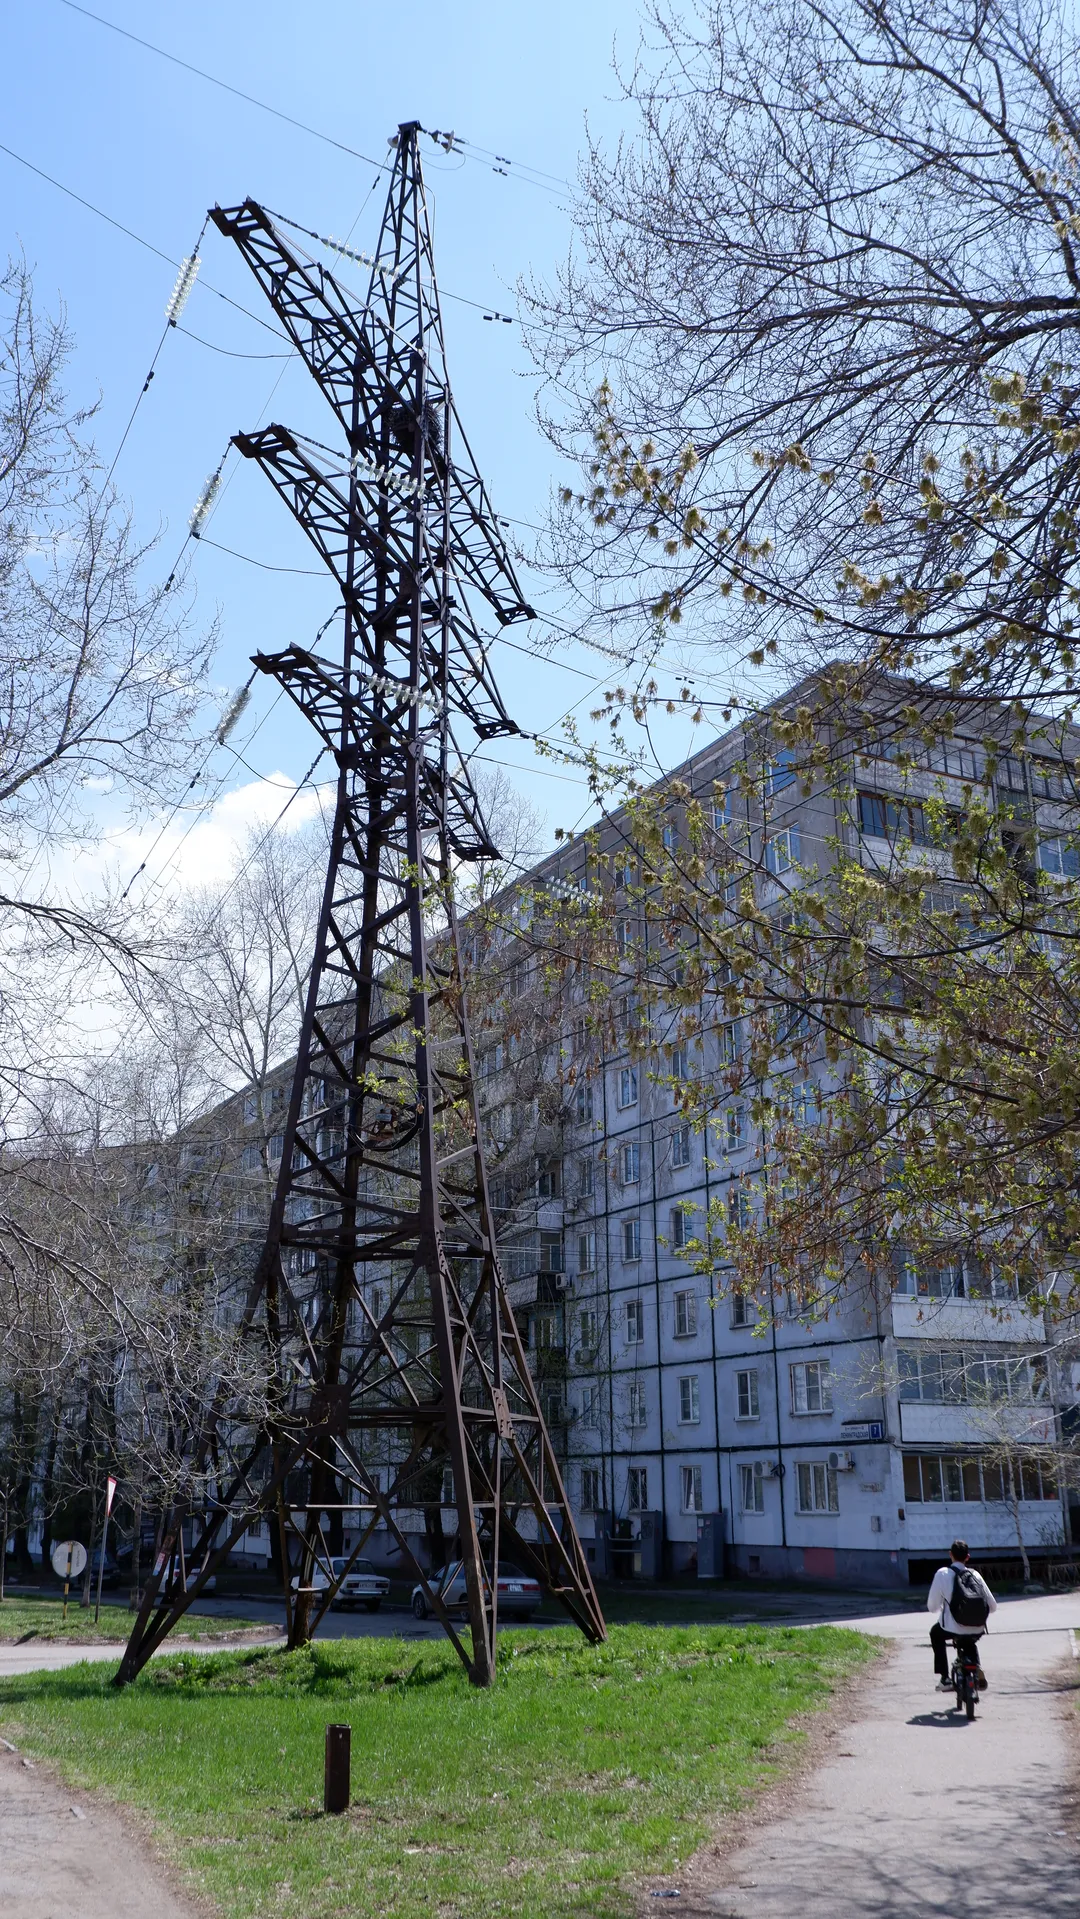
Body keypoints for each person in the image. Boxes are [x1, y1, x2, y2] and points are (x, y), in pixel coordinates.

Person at [927, 1539, 996, 1692]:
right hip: (977, 1627)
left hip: (951, 1628)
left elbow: (932, 1606)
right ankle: (976, 1668)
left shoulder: (942, 1574)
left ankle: (945, 1678)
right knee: (970, 1639)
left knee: (935, 1633)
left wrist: (940, 1607)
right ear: (967, 1557)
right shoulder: (975, 1575)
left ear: (950, 1554)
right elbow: (993, 1606)